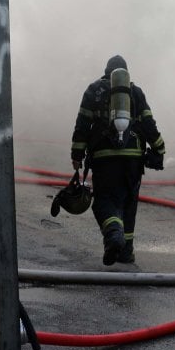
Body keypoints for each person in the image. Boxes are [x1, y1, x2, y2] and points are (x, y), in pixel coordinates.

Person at [69, 54, 166, 265]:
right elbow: (149, 125)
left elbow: (82, 125)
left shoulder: (94, 91)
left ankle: (113, 235)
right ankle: (126, 251)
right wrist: (159, 149)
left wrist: (77, 155)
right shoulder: (135, 92)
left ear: (106, 72)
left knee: (104, 201)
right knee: (129, 203)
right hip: (133, 159)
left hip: (105, 159)